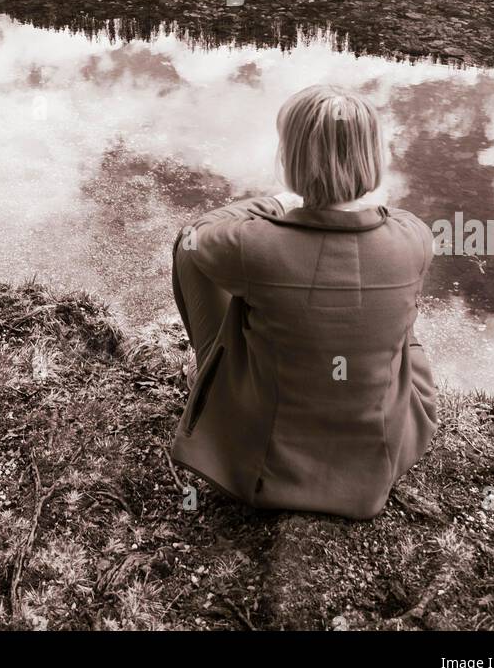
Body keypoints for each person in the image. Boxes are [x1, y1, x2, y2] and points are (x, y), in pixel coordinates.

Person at [170, 85, 437, 519]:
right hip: (378, 467)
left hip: (264, 474)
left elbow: (195, 235)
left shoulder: (253, 245)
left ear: (290, 158)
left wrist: (277, 203)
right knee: (392, 308)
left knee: (192, 253)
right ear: (373, 158)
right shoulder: (414, 238)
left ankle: (213, 376)